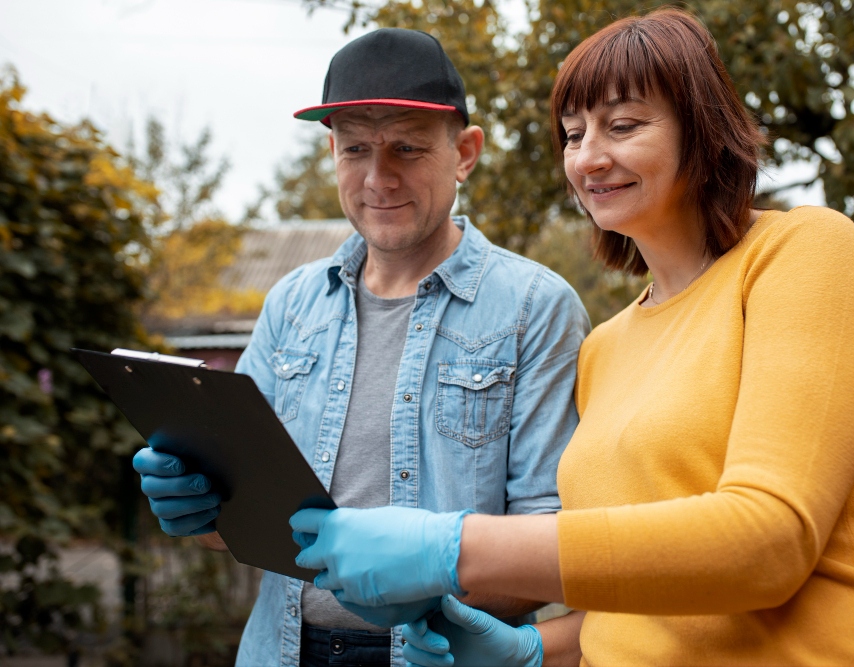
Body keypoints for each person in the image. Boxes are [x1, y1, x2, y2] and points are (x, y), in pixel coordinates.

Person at [286, 9, 854, 666]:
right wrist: (533, 650)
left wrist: (451, 547)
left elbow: (769, 542)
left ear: (704, 130)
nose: (589, 156)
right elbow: (632, 591)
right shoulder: (605, 347)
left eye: (623, 126)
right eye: (573, 134)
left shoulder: (803, 253)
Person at [131, 27, 590, 667]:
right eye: (355, 150)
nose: (379, 177)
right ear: (332, 153)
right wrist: (201, 509)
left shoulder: (535, 309)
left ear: (464, 152)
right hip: (280, 651)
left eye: (406, 147)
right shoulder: (291, 305)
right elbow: (239, 530)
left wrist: (428, 568)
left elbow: (556, 549)